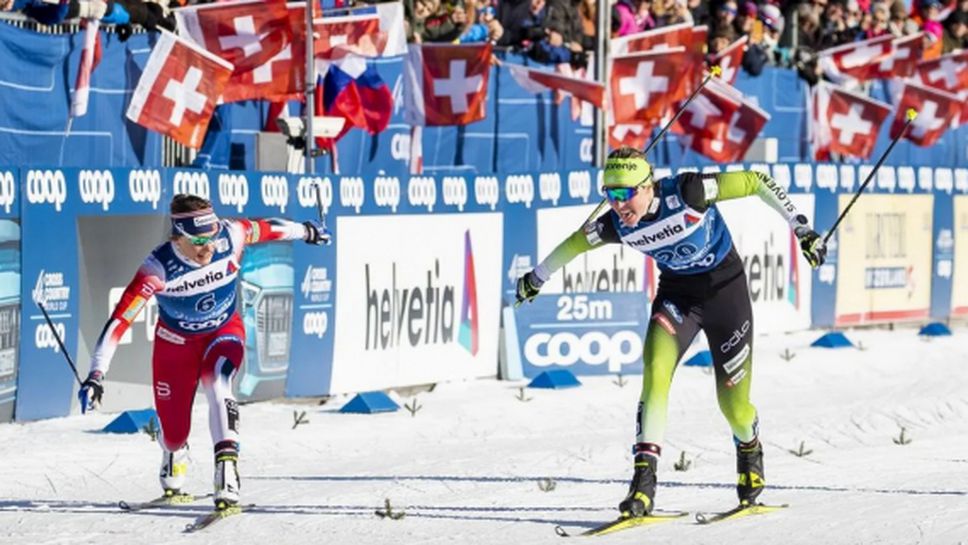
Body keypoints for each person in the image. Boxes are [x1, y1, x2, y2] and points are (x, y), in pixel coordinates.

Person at [514, 147, 827, 517]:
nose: (616, 205)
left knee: (734, 408)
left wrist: (802, 228)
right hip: (677, 299)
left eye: (623, 194)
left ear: (647, 186)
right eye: (608, 195)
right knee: (655, 376)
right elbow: (574, 245)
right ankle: (643, 487)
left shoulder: (690, 192)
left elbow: (756, 182)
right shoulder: (615, 224)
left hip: (725, 295)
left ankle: (749, 451)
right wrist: (535, 279)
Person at [77, 194, 331, 511]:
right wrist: (96, 375)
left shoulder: (230, 235)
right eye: (198, 241)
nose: (208, 248)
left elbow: (270, 228)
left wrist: (308, 231)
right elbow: (120, 321)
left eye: (210, 237)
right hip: (175, 345)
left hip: (223, 332)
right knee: (173, 432)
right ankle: (173, 452)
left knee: (218, 382)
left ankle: (226, 472)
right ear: (178, 237)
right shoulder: (156, 270)